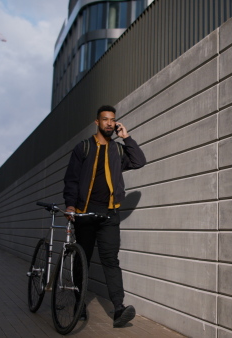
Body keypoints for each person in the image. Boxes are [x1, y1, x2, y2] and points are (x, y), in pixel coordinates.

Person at [63, 105, 146, 327]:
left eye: (113, 120)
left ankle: (118, 308)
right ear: (97, 122)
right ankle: (79, 305)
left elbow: (139, 161)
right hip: (85, 213)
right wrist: (71, 206)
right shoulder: (83, 148)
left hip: (109, 214)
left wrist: (127, 138)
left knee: (111, 260)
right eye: (105, 119)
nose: (109, 123)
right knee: (83, 259)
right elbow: (71, 179)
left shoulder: (118, 151)